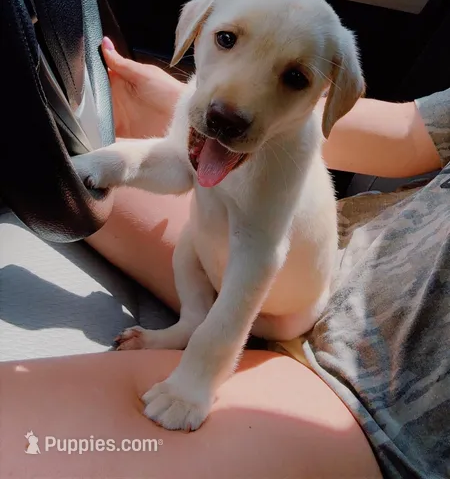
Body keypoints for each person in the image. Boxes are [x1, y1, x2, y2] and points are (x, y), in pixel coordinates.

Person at [2, 37, 448, 479]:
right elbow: (409, 135)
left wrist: (202, 374)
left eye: (296, 77)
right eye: (226, 39)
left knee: (21, 443)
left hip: (371, 400)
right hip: (334, 252)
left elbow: (263, 251)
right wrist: (179, 104)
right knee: (44, 154)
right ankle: (189, 324)